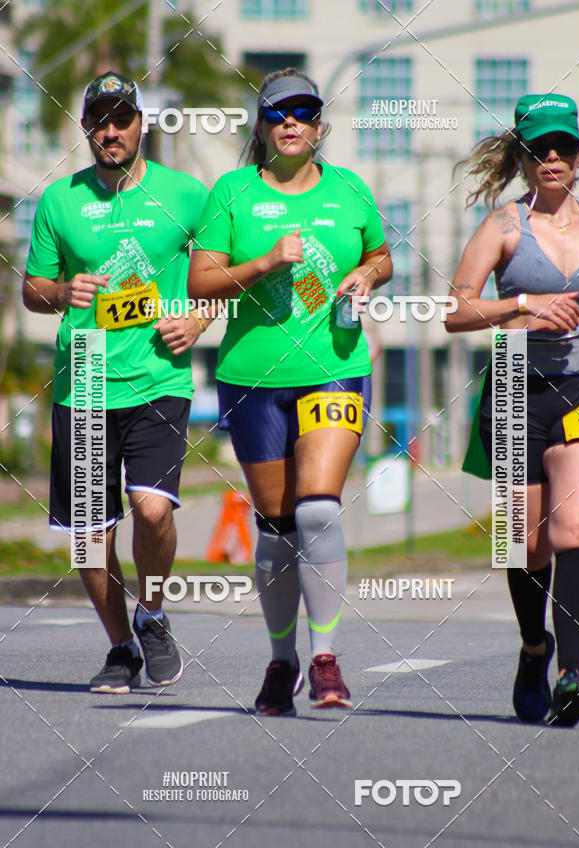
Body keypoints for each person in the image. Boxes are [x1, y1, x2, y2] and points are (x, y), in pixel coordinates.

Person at [188, 68, 392, 715]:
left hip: (334, 365)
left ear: (320, 125)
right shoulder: (232, 191)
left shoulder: (351, 190)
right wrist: (266, 263)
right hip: (253, 375)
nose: (291, 123)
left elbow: (383, 257)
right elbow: (200, 282)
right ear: (261, 125)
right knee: (275, 527)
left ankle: (327, 658)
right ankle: (282, 661)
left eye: (303, 112)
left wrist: (366, 273)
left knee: (317, 512)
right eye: (278, 114)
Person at [23, 71, 209, 693]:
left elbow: (221, 275)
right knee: (88, 540)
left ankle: (152, 614)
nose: (111, 130)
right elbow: (32, 290)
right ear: (86, 129)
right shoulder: (58, 201)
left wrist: (201, 317)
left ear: (141, 125)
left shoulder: (185, 195)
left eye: (122, 118)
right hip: (85, 385)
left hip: (159, 380)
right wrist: (59, 292)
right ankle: (122, 647)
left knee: (152, 509)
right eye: (100, 121)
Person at [447, 93, 579, 727]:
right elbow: (454, 312)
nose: (553, 158)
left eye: (564, 147)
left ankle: (570, 673)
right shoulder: (503, 226)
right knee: (523, 544)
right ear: (525, 158)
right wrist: (521, 305)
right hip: (513, 388)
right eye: (540, 150)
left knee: (575, 533)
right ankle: (533, 648)